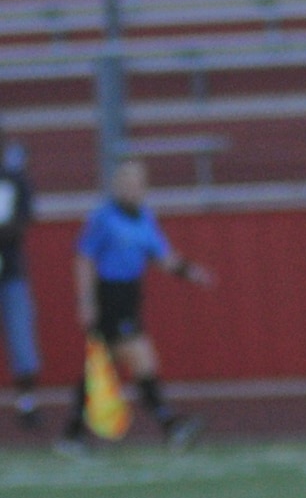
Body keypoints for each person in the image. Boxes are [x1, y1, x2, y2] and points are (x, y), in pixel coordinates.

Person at [60, 158, 214, 453]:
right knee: (139, 357)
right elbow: (83, 258)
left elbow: (161, 255)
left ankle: (72, 433)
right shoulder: (104, 218)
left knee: (108, 367)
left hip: (130, 295)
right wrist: (86, 300)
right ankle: (171, 425)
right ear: (116, 186)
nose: (132, 189)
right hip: (110, 295)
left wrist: (189, 271)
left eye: (137, 183)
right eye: (126, 183)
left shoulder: (144, 218)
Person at [0, 139, 40, 428]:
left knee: (21, 339)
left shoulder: (13, 180)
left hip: (10, 271)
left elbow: (22, 221)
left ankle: (27, 404)